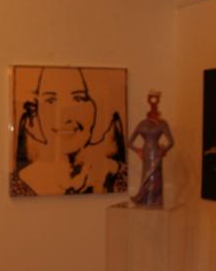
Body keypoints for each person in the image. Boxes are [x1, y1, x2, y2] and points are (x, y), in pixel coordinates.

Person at [11, 66, 126, 195]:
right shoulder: (18, 186)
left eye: (78, 99)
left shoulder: (124, 179)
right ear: (35, 112)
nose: (65, 117)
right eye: (51, 100)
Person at [128, 91, 174, 207]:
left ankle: (153, 199)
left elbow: (171, 142)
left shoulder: (161, 123)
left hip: (154, 152)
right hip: (150, 152)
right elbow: (129, 143)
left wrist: (163, 151)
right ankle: (145, 198)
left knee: (154, 175)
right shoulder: (145, 124)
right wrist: (138, 151)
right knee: (148, 175)